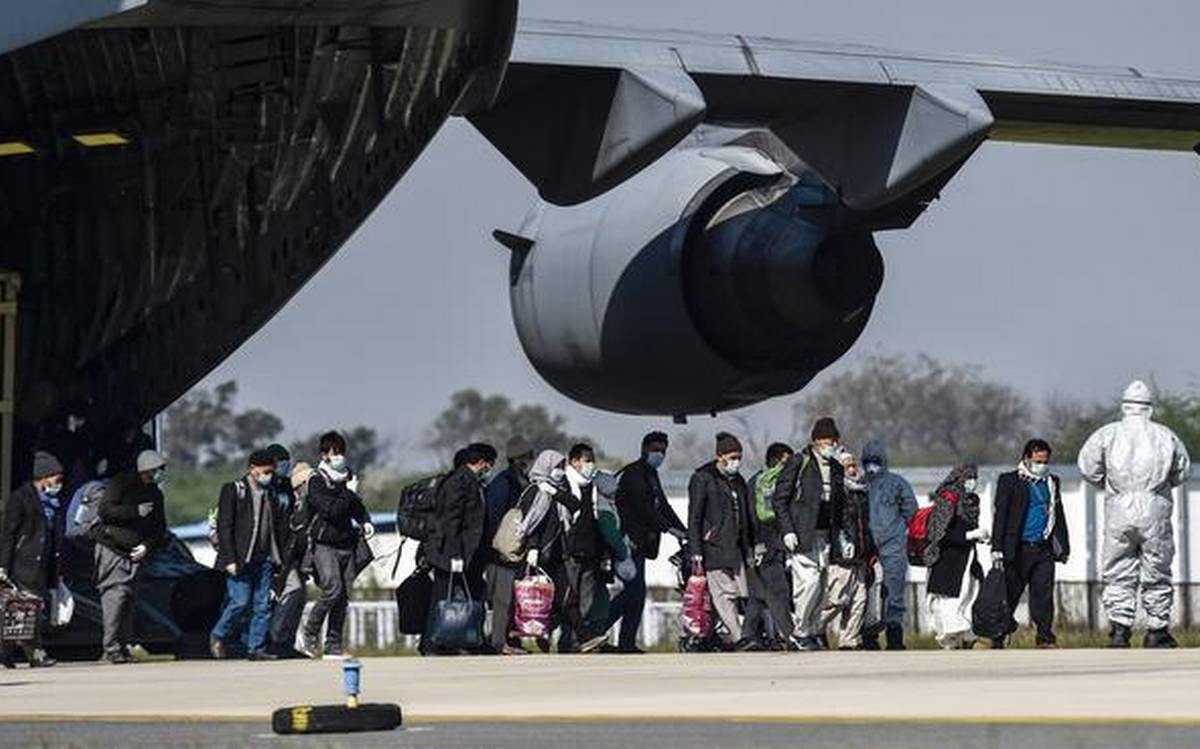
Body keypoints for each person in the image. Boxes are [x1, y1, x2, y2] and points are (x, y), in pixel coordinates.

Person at [1078, 380, 1192, 648]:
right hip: (1155, 507)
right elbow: (1183, 471)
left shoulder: (1107, 434)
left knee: (1118, 569)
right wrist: (1158, 488)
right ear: (1149, 407)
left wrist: (1110, 486)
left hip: (1119, 507)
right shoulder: (1166, 435)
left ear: (1124, 406)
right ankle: (1157, 631)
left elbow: (1087, 467)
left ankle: (1119, 631)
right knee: (1157, 567)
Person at [771, 417, 845, 651]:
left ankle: (812, 631)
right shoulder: (799, 462)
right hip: (802, 534)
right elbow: (780, 499)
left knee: (823, 586)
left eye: (833, 441)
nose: (829, 446)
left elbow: (839, 503)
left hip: (825, 534)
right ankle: (799, 632)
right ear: (814, 442)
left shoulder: (836, 467)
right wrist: (788, 530)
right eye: (825, 442)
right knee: (809, 582)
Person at [611, 431, 686, 653]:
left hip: (641, 545)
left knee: (636, 595)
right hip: (628, 544)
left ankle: (625, 643)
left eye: (663, 450)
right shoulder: (634, 474)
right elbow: (646, 510)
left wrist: (682, 530)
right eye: (655, 449)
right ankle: (595, 630)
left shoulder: (651, 474)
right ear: (644, 449)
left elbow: (663, 506)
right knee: (633, 594)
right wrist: (669, 528)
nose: (659, 454)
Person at [300, 432, 374, 658]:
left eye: (342, 452)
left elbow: (355, 506)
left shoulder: (347, 477)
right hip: (324, 544)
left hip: (347, 543)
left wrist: (365, 520)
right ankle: (310, 632)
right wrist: (350, 493)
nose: (339, 457)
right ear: (324, 455)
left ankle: (333, 644)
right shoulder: (316, 480)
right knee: (332, 589)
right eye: (335, 453)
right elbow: (331, 510)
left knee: (342, 597)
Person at [992, 439, 1070, 649]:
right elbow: (1001, 515)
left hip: (1042, 548)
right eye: (1037, 461)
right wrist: (997, 547)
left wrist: (1063, 546)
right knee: (1010, 594)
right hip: (1016, 549)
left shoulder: (1052, 482)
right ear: (1026, 458)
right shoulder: (1009, 481)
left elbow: (1058, 515)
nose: (1041, 465)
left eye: (1045, 461)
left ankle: (1045, 636)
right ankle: (999, 634)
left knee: (1043, 595)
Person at [93, 449, 168, 664]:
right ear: (147, 469)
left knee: (129, 600)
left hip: (136, 553)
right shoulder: (121, 484)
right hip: (112, 549)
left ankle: (123, 646)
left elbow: (159, 528)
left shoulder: (155, 493)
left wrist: (147, 546)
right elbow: (105, 511)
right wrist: (135, 511)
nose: (160, 473)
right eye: (157, 470)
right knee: (115, 596)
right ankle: (111, 647)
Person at [210, 450, 286, 660]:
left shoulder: (271, 493)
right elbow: (224, 526)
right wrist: (230, 559)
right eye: (266, 471)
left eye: (271, 471)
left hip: (265, 558)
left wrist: (278, 559)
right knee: (240, 602)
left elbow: (275, 527)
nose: (269, 475)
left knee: (262, 606)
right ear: (253, 469)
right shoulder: (234, 490)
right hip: (241, 559)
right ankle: (218, 635)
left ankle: (256, 648)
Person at [688, 432, 760, 651]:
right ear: (720, 456)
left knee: (745, 593)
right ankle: (739, 637)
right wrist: (696, 549)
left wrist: (751, 545)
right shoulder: (703, 478)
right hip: (713, 547)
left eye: (739, 457)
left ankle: (718, 635)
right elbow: (695, 516)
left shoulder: (737, 480)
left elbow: (746, 515)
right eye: (732, 457)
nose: (736, 462)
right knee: (724, 594)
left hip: (736, 546)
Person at [423, 442, 495, 654]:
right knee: (442, 599)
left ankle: (469, 640)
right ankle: (432, 643)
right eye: (489, 464)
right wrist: (455, 554)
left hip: (469, 555)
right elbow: (450, 521)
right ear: (481, 462)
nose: (488, 469)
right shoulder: (459, 481)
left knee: (472, 597)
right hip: (450, 554)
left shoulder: (471, 481)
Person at [0, 451, 67, 667]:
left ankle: (10, 653)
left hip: (42, 565)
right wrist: (2, 565)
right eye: (56, 478)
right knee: (24, 610)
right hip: (23, 564)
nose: (59, 483)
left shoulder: (53, 503)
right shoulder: (21, 498)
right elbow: (8, 534)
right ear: (43, 477)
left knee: (26, 611)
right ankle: (33, 653)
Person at [860, 439, 918, 650]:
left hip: (893, 544)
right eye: (868, 461)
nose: (871, 465)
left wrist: (898, 528)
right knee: (864, 591)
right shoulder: (860, 482)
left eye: (875, 461)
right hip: (865, 546)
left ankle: (895, 635)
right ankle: (868, 635)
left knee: (894, 590)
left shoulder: (897, 482)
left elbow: (911, 508)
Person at [924, 465, 989, 650]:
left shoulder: (971, 501)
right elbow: (938, 534)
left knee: (970, 594)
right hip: (947, 561)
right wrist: (969, 535)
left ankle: (967, 637)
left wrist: (979, 536)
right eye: (969, 477)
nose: (973, 482)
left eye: (975, 477)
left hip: (966, 557)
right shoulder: (947, 499)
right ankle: (951, 639)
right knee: (950, 600)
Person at [553, 443, 609, 653]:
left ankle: (579, 639)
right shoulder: (565, 484)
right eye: (586, 460)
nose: (590, 464)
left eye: (592, 460)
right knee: (570, 598)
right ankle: (567, 639)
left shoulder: (592, 486)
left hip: (590, 550)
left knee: (587, 599)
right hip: (571, 550)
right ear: (574, 461)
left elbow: (596, 515)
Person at [815, 449, 873, 650]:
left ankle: (849, 639)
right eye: (847, 466)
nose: (852, 469)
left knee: (860, 600)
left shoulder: (862, 491)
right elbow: (837, 520)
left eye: (853, 465)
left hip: (861, 555)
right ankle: (813, 628)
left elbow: (866, 524)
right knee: (837, 600)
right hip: (843, 555)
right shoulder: (838, 492)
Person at [742, 442, 796, 649]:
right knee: (779, 591)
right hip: (771, 545)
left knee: (760, 595)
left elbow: (747, 519)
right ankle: (790, 636)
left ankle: (747, 636)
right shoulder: (774, 482)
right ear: (777, 459)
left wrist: (750, 546)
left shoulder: (753, 481)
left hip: (759, 546)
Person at [485, 436, 533, 655]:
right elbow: (494, 516)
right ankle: (499, 642)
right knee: (502, 599)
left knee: (514, 598)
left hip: (515, 549)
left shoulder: (521, 481)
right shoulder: (504, 482)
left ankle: (511, 640)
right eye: (525, 457)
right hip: (501, 551)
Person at [270, 460, 314, 656]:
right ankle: (278, 640)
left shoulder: (305, 504)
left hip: (296, 561)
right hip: (286, 561)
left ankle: (286, 641)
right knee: (292, 592)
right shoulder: (292, 504)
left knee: (299, 598)